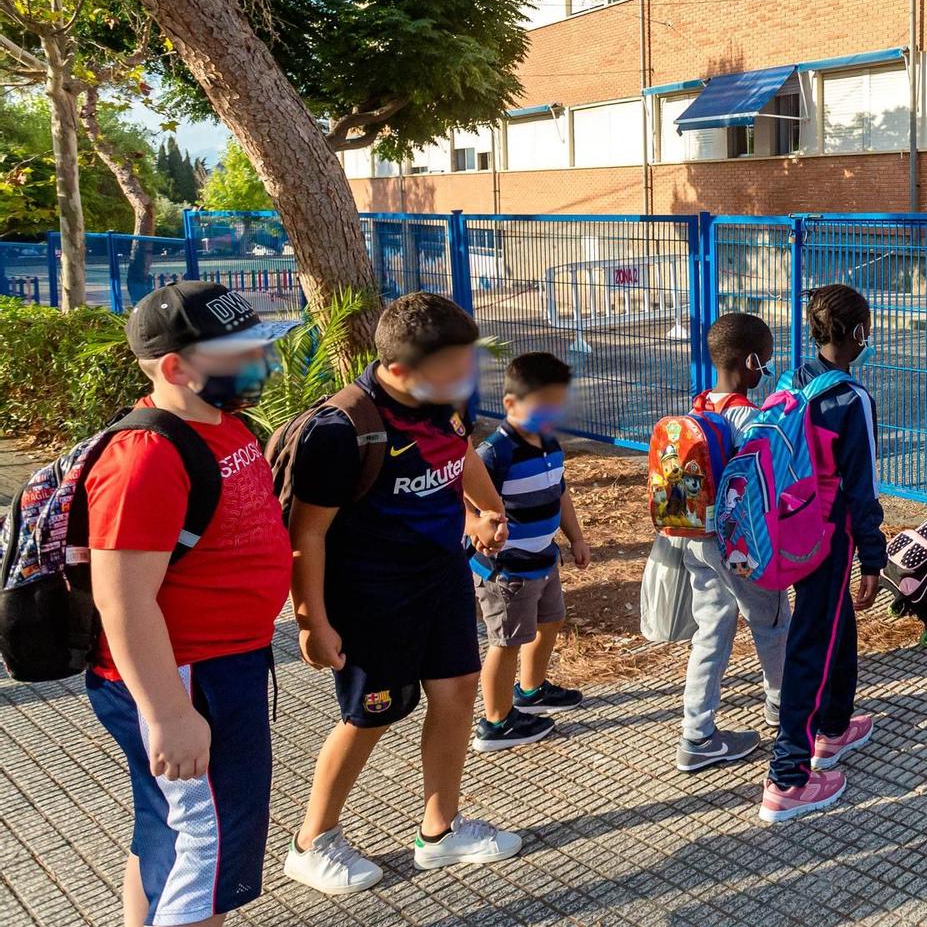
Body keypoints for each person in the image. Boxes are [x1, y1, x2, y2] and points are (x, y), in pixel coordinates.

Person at [283, 293, 521, 894]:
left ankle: (440, 833)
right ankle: (313, 841)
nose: (464, 382)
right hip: (370, 598)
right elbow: (306, 533)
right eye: (451, 372)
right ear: (397, 371)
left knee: (458, 691)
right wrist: (311, 620)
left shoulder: (447, 400)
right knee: (371, 714)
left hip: (440, 580)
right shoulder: (342, 430)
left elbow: (458, 451)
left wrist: (483, 510)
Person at [86, 282, 295, 927]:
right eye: (239, 354)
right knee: (204, 853)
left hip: (222, 667)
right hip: (184, 678)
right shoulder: (146, 457)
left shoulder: (226, 426)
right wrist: (171, 715)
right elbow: (121, 599)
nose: (259, 364)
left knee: (171, 837)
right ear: (176, 369)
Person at [760, 284, 887, 823]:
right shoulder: (851, 400)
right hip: (829, 536)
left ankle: (834, 726)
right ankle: (788, 776)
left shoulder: (790, 382)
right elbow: (862, 490)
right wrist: (873, 557)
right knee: (813, 638)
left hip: (790, 526)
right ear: (858, 333)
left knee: (831, 625)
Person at [665, 312, 792, 773]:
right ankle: (784, 707)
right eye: (766, 361)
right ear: (750, 360)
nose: (767, 370)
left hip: (696, 539)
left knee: (712, 630)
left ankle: (696, 734)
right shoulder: (746, 416)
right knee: (773, 620)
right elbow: (764, 479)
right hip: (740, 544)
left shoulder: (699, 406)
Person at [470, 352, 590, 752]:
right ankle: (495, 721)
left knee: (551, 621)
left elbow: (561, 492)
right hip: (507, 569)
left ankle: (531, 689)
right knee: (505, 642)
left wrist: (575, 537)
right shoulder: (494, 453)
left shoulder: (550, 442)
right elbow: (468, 504)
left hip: (543, 558)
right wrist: (479, 530)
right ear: (511, 404)